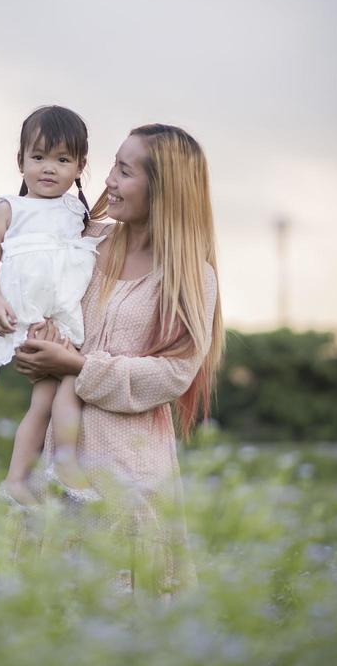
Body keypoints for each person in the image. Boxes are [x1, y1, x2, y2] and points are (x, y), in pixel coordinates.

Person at [13, 123, 225, 596]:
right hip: (59, 458)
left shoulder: (190, 277)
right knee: (50, 620)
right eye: (113, 164)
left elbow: (173, 373)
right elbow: (40, 302)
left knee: (126, 620)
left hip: (130, 474)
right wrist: (31, 351)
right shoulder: (84, 242)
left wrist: (77, 367)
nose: (108, 180)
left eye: (125, 171)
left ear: (163, 190)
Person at [0, 105, 105, 508]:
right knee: (62, 389)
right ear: (21, 161)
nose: (49, 168)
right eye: (38, 157)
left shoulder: (77, 212)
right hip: (26, 317)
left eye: (62, 159)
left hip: (62, 320)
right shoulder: (11, 208)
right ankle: (55, 469)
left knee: (57, 394)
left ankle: (24, 477)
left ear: (80, 166)